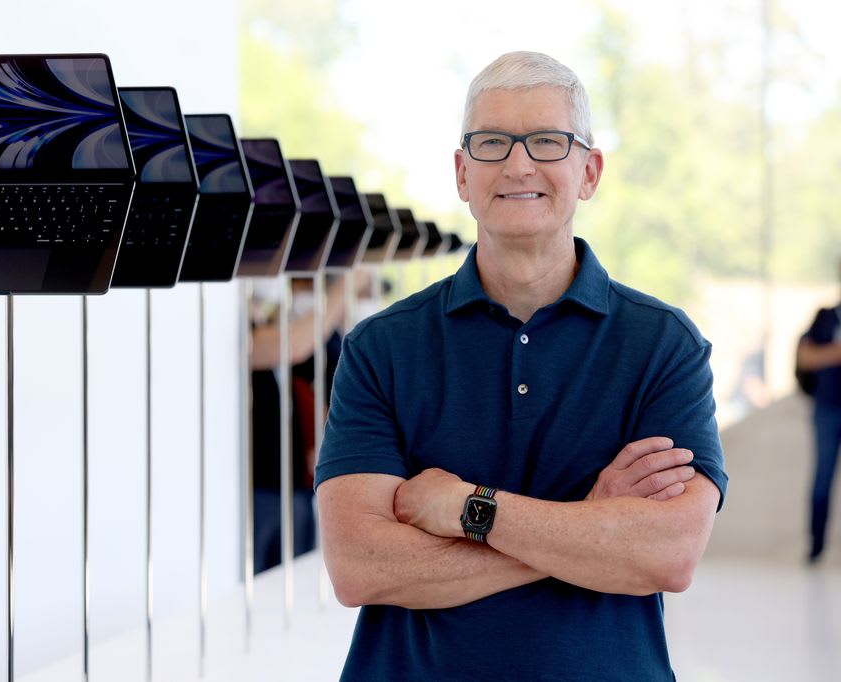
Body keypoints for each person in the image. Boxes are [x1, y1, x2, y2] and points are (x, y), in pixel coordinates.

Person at [315, 51, 728, 680]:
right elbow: (360, 566)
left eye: (546, 141)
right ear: (461, 172)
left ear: (589, 171)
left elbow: (667, 554)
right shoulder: (380, 348)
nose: (516, 163)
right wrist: (591, 522)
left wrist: (466, 508)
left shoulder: (664, 346)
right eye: (491, 142)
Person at [250, 272, 367, 572]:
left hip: (295, 484)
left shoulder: (277, 322)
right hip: (260, 489)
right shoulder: (242, 333)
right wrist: (343, 288)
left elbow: (334, 364)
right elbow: (293, 345)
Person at [796, 293, 841, 562]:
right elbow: (805, 357)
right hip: (827, 408)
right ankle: (816, 547)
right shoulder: (825, 316)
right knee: (822, 478)